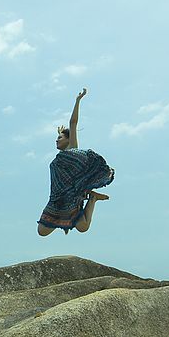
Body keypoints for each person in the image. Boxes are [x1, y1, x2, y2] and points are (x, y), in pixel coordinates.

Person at [37, 88, 115, 236]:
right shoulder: (59, 159)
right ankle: (91, 197)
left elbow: (73, 123)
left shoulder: (72, 150)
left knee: (83, 227)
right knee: (42, 231)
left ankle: (93, 198)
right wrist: (59, 132)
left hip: (73, 196)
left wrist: (77, 100)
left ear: (68, 139)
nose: (56, 140)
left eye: (59, 138)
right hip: (57, 198)